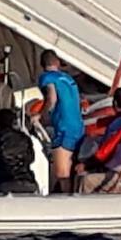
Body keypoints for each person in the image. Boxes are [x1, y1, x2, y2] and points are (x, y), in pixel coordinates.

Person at [35, 49, 84, 194]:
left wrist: (40, 115)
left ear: (42, 65)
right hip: (79, 127)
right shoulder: (68, 79)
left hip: (64, 129)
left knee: (62, 174)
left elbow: (52, 99)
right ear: (57, 63)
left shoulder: (47, 78)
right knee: (72, 168)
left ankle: (66, 203)